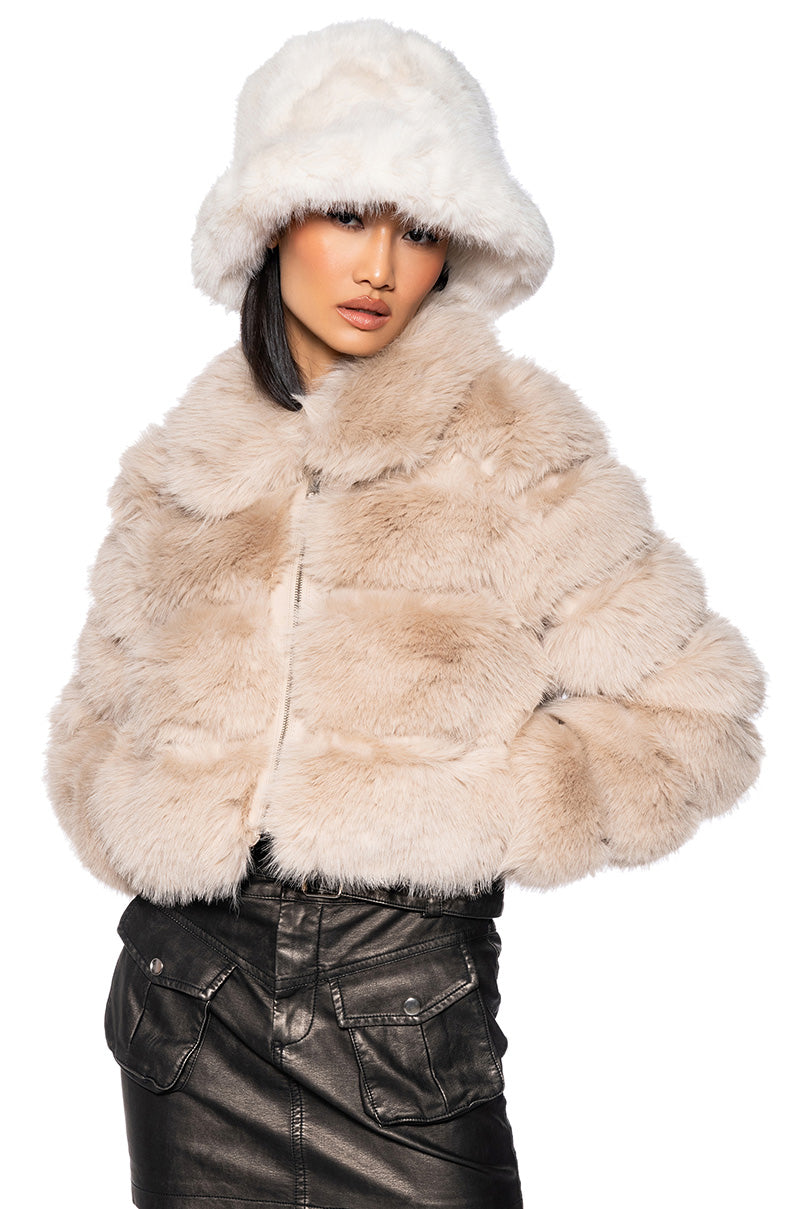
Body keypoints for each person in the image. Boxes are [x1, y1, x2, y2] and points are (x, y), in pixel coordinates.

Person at [46, 18, 764, 1209]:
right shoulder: (180, 473)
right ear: (271, 223)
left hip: (403, 1015)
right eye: (344, 213)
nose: (379, 265)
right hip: (188, 1013)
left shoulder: (514, 446)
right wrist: (149, 818)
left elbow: (700, 720)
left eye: (419, 230)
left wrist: (477, 805)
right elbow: (94, 715)